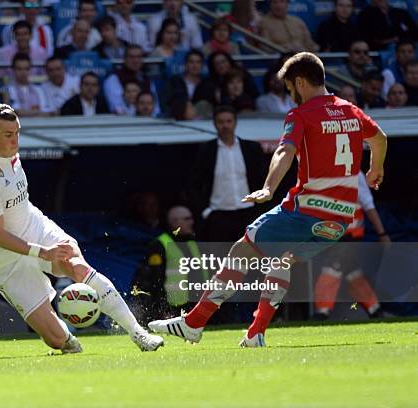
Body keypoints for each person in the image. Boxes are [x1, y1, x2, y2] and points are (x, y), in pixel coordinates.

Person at [149, 52, 387, 347]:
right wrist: (375, 169)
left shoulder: (301, 115)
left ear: (299, 82)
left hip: (306, 210)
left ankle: (193, 323)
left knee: (241, 250)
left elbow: (284, 152)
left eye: (289, 88)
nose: (290, 95)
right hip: (339, 220)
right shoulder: (351, 111)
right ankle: (255, 334)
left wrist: (268, 188)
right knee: (281, 261)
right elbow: (380, 139)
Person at [0, 104, 164, 353]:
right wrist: (43, 252)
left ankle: (138, 333)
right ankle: (68, 335)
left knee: (76, 265)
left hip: (35, 226)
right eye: (8, 134)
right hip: (7, 258)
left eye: (17, 132)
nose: (15, 140)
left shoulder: (5, 152)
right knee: (57, 341)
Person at [313, 172, 388, 320]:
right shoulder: (326, 169)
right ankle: (375, 310)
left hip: (350, 235)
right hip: (334, 235)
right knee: (352, 273)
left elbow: (368, 204)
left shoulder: (356, 174)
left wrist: (382, 233)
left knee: (332, 269)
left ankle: (322, 313)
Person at [189, 105, 266, 242]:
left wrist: (259, 208)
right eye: (221, 122)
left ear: (235, 123)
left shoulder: (251, 148)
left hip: (248, 212)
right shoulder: (206, 150)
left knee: (250, 258)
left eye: (228, 121)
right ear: (215, 124)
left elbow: (263, 178)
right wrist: (205, 212)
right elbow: (194, 183)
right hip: (218, 215)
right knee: (221, 259)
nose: (225, 125)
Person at [132, 206, 207, 323]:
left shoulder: (194, 242)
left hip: (195, 306)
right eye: (187, 219)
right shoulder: (160, 244)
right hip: (172, 307)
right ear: (174, 222)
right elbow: (153, 280)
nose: (191, 222)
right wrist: (160, 309)